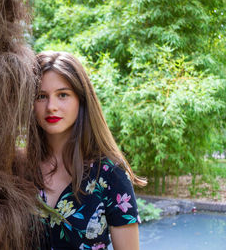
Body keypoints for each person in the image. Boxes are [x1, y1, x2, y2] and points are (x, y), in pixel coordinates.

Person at [28, 51, 147, 250]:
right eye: (41, 96)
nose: (51, 106)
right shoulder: (17, 168)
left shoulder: (110, 174)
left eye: (63, 95)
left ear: (81, 100)